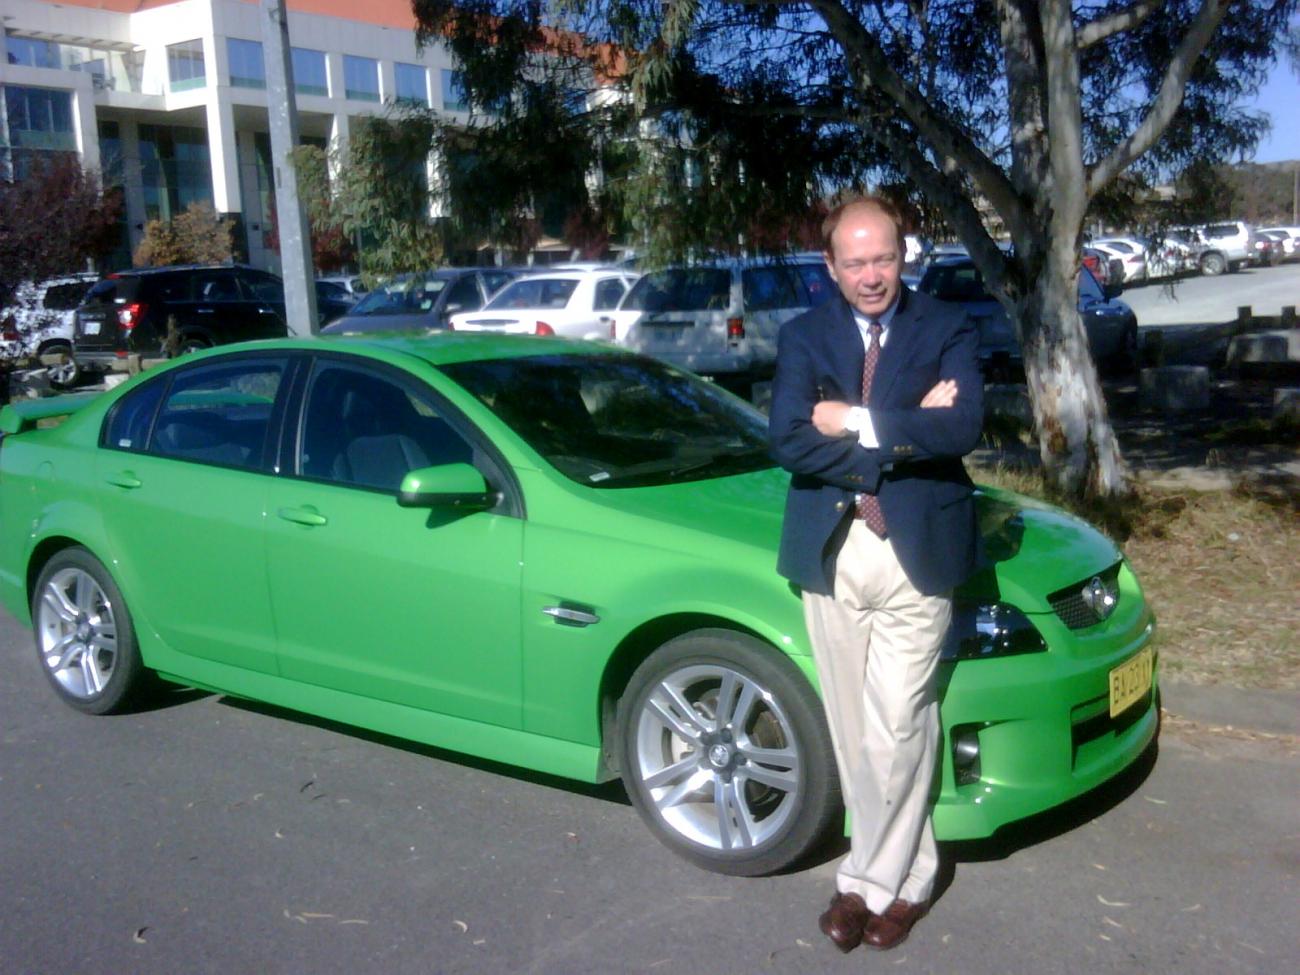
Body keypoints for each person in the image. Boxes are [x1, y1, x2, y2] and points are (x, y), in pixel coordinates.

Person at [768, 196, 984, 952]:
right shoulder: (803, 335)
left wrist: (855, 420)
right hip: (833, 550)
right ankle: (916, 873)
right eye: (854, 261)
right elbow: (788, 441)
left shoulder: (945, 325)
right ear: (831, 266)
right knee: (858, 729)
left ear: (906, 253)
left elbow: (962, 426)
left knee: (897, 723)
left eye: (883, 258)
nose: (871, 275)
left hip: (915, 548)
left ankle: (865, 882)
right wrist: (903, 426)